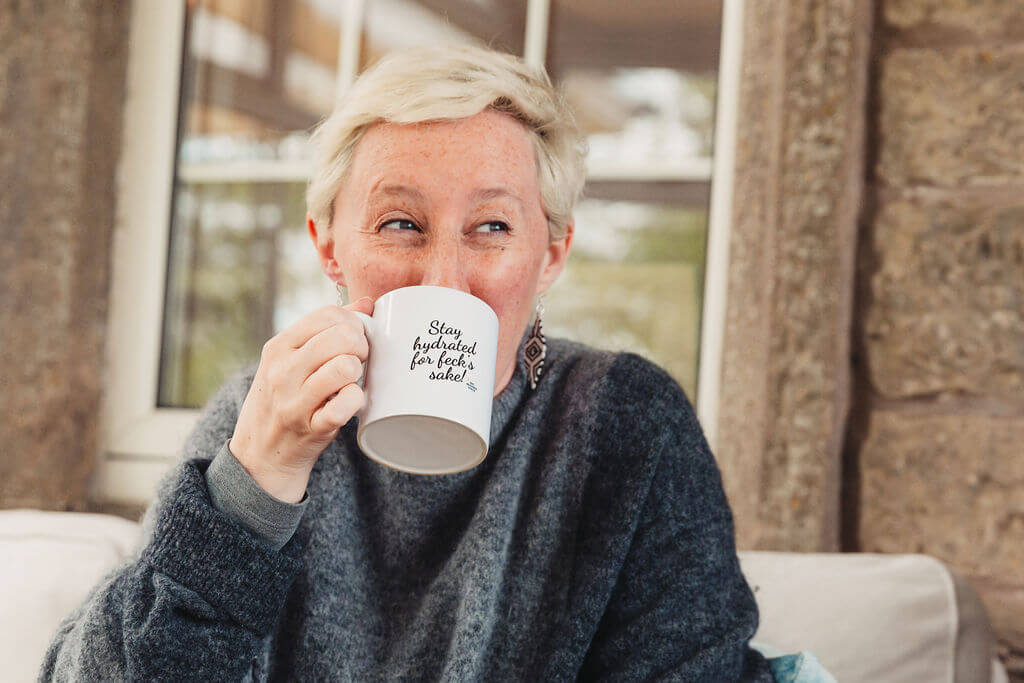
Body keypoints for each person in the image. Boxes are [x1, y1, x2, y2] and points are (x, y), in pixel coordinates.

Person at [40, 44, 775, 681]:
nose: (443, 281)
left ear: (550, 255)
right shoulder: (259, 420)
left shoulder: (626, 426)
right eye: (400, 224)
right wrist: (251, 490)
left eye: (491, 226)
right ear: (330, 246)